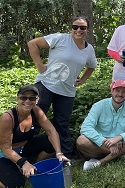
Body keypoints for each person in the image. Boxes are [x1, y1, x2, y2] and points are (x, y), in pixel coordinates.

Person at [27, 17, 97, 157]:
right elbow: (32, 44)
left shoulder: (89, 49)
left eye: (82, 28)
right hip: (46, 85)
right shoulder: (59, 38)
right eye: (75, 27)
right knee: (34, 119)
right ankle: (23, 152)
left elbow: (92, 66)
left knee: (62, 124)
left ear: (87, 30)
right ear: (71, 28)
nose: (78, 30)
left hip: (67, 91)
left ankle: (65, 155)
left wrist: (82, 80)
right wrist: (40, 66)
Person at [0, 85, 66, 188]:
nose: (28, 101)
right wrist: (24, 162)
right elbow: (6, 149)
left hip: (21, 149)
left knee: (49, 143)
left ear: (37, 100)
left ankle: (34, 168)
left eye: (32, 98)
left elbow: (51, 131)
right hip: (0, 154)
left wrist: (59, 153)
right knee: (16, 185)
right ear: (17, 99)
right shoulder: (7, 118)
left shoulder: (36, 111)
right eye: (24, 97)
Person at [77, 79, 125, 171]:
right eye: (117, 90)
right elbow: (86, 128)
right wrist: (105, 142)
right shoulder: (99, 106)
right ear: (112, 91)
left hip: (118, 143)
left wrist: (119, 138)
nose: (120, 94)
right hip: (99, 145)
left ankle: (100, 162)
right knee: (81, 140)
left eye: (124, 92)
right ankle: (120, 155)